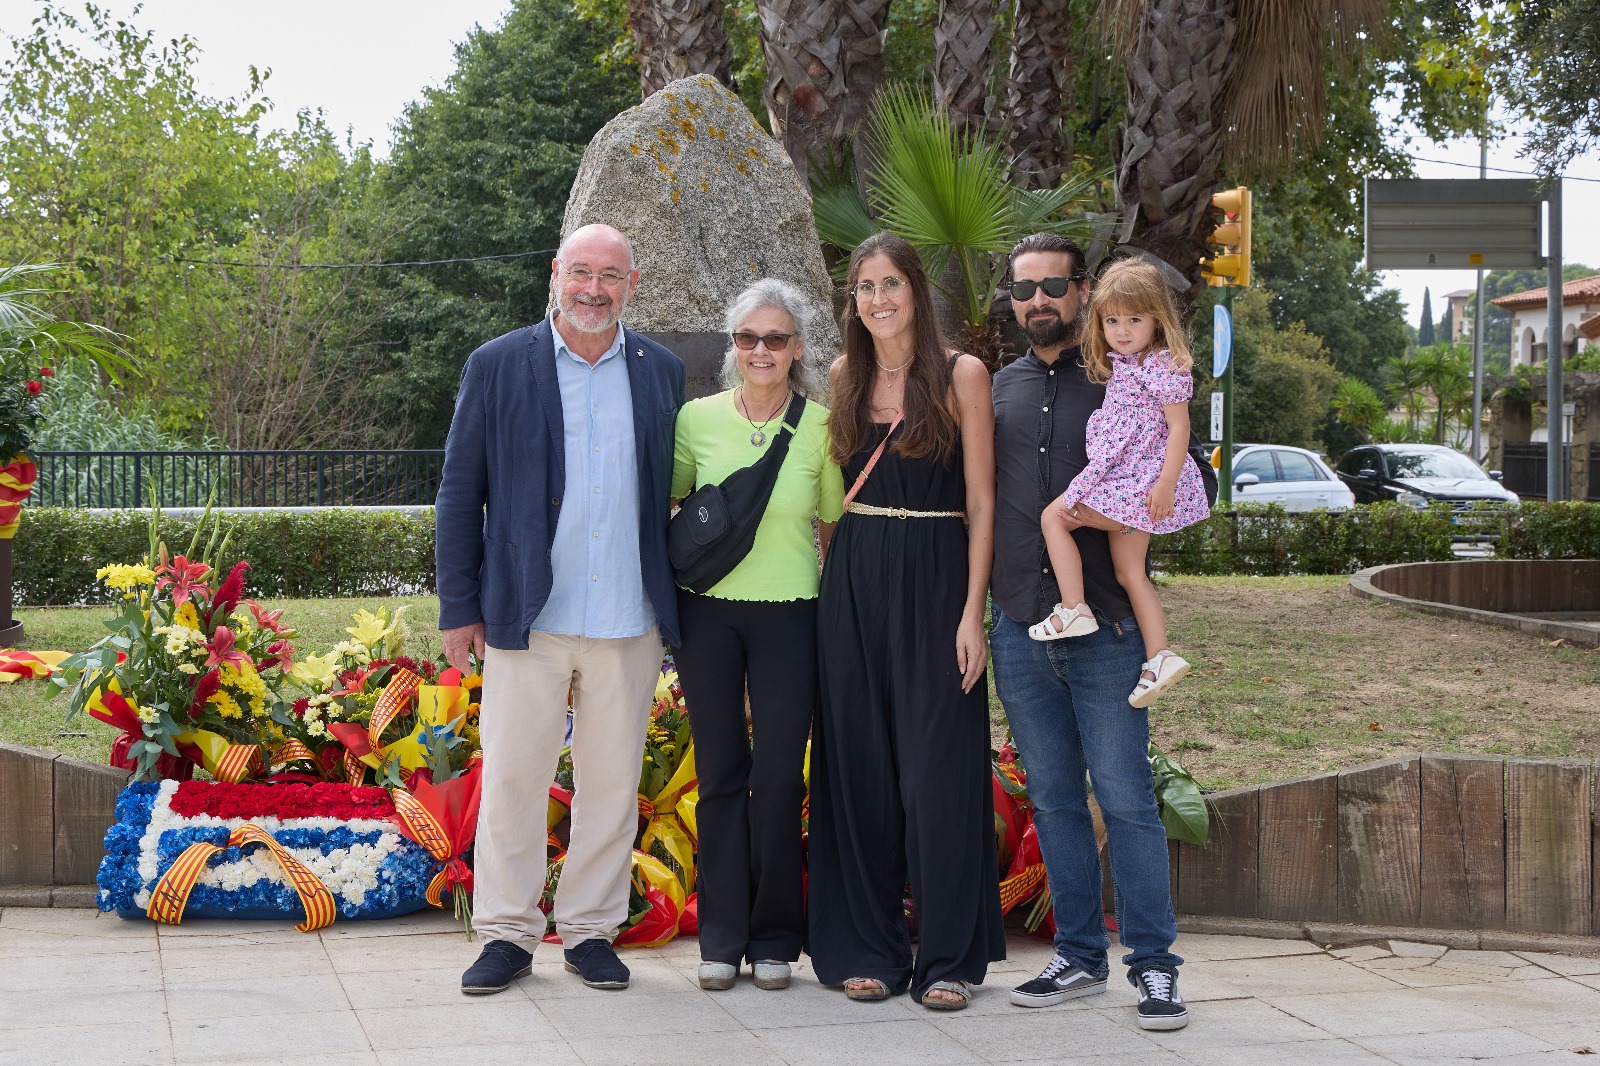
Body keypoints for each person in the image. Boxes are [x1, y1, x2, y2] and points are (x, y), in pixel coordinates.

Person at [435, 223, 685, 996]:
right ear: (555, 273)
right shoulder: (499, 364)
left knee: (611, 784)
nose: (594, 288)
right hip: (525, 615)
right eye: (581, 271)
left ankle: (589, 930)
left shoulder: (662, 372)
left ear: (632, 284)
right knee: (514, 776)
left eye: (610, 275)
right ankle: (507, 933)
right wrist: (458, 604)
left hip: (628, 617)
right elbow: (458, 491)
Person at [988, 233, 1188, 1030]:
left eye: (1054, 286)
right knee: (1054, 800)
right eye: (1024, 288)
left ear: (1083, 292)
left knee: (1128, 798)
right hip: (1020, 626)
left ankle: (1155, 966)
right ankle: (1076, 955)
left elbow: (1177, 481)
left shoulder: (1124, 378)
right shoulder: (995, 387)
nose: (1038, 300)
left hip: (1105, 627)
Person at [806, 231, 1003, 1011]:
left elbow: (983, 502)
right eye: (864, 287)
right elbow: (832, 497)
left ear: (916, 290)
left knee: (937, 774)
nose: (878, 299)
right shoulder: (842, 376)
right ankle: (870, 949)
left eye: (890, 283)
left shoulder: (963, 375)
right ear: (851, 301)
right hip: (854, 579)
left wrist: (971, 613)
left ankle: (948, 958)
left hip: (934, 573)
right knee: (858, 769)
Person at [669, 278, 844, 993]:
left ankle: (774, 936)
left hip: (791, 613)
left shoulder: (823, 427)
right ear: (732, 346)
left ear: (798, 347)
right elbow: (677, 508)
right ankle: (721, 935)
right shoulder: (695, 419)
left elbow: (831, 528)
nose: (761, 350)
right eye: (748, 338)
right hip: (705, 613)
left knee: (776, 777)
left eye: (776, 338)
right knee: (718, 776)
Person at [1028, 257, 1209, 708]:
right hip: (1130, 480)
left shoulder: (1164, 365)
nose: (1122, 330)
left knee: (1055, 517)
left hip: (1138, 483)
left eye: (1134, 319)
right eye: (1112, 320)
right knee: (1131, 573)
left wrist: (1165, 486)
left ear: (1158, 320)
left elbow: (1179, 430)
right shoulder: (1125, 363)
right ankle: (1159, 655)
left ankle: (1074, 608)